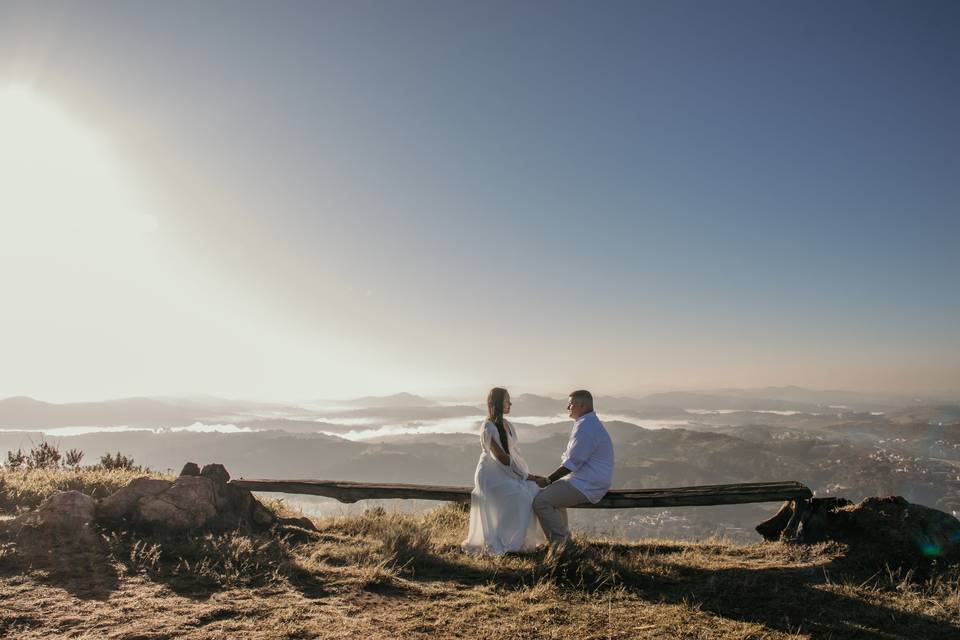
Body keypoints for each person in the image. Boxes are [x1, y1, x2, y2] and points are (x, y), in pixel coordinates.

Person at [462, 387, 547, 555]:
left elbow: (513, 454)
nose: (510, 404)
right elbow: (501, 457)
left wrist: (526, 475)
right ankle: (507, 542)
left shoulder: (507, 424)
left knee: (533, 490)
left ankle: (522, 540)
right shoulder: (488, 427)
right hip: (492, 474)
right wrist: (526, 476)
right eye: (507, 401)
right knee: (520, 496)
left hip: (507, 471)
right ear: (498, 403)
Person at [532, 390, 614, 544]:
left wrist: (548, 480)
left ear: (582, 406)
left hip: (588, 484)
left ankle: (562, 545)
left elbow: (572, 463)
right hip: (588, 480)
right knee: (552, 497)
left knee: (541, 502)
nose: (567, 407)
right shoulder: (587, 423)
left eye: (570, 404)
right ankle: (564, 540)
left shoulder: (586, 428)